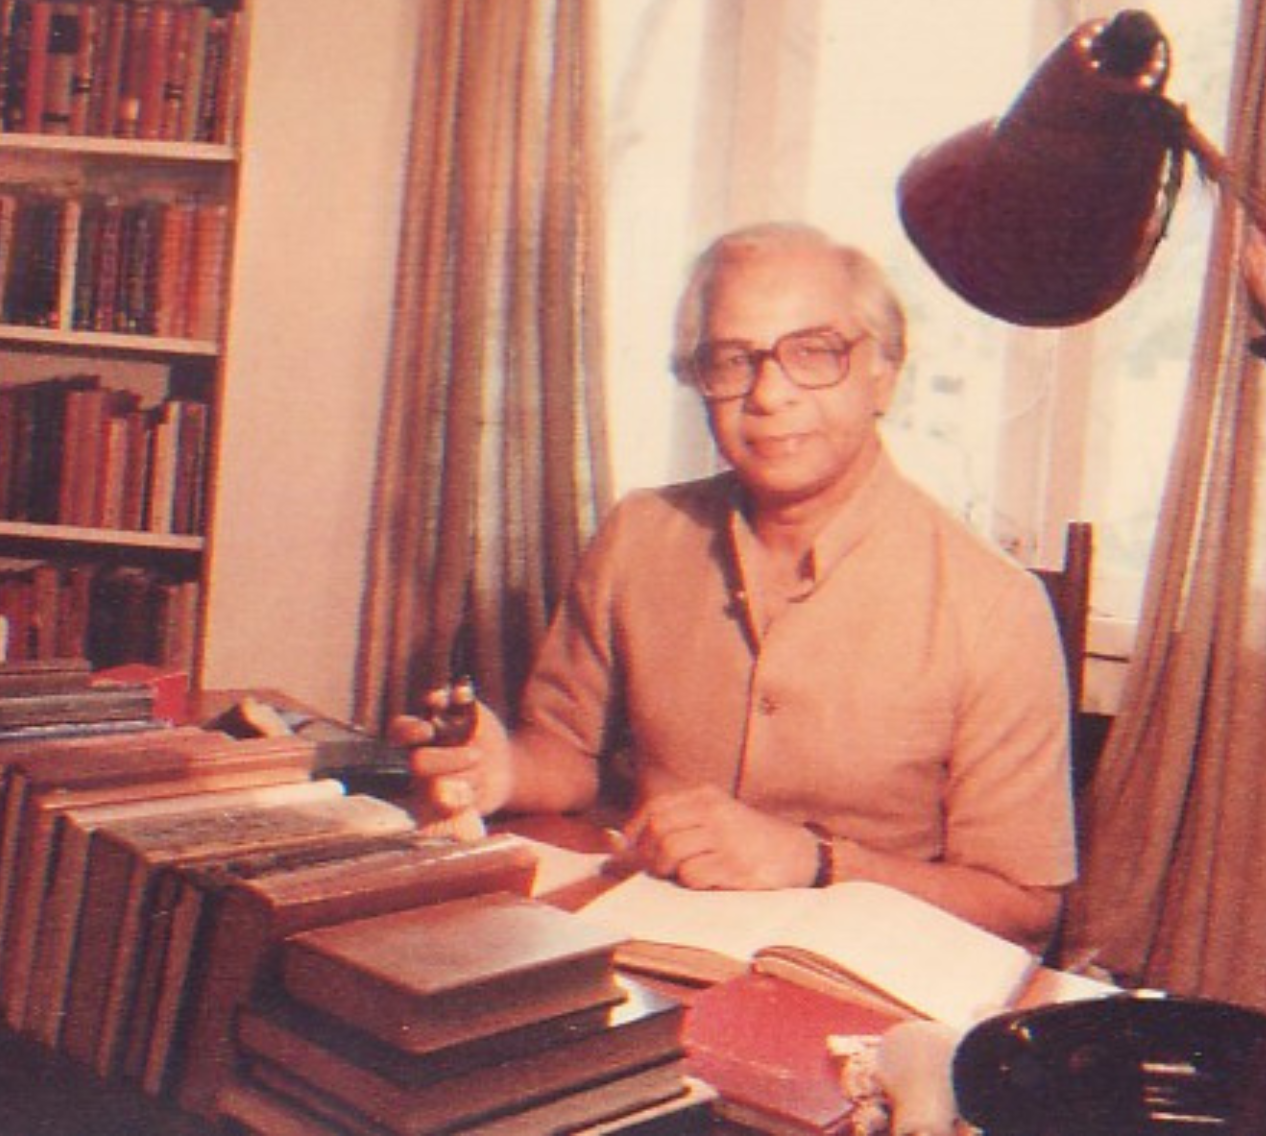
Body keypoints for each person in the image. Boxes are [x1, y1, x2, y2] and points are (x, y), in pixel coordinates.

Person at [391, 222, 1076, 951]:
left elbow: (1024, 904)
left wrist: (819, 863)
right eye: (732, 360)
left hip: (853, 985)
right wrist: (498, 771)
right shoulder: (639, 534)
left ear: (884, 372)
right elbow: (564, 756)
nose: (769, 394)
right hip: (644, 950)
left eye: (814, 353)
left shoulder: (995, 606)